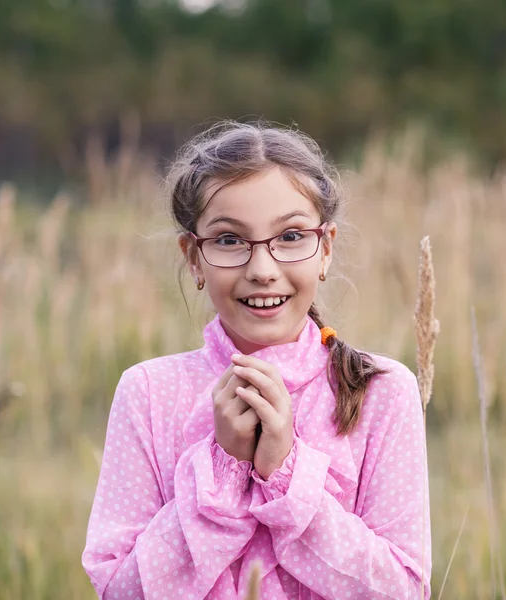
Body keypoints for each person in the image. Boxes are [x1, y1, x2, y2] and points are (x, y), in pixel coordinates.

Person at [82, 120, 432, 599]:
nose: (262, 270)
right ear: (193, 257)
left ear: (325, 249)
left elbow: (402, 591)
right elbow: (121, 592)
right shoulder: (148, 392)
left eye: (290, 237)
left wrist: (287, 473)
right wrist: (221, 467)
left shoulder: (383, 390)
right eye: (229, 240)